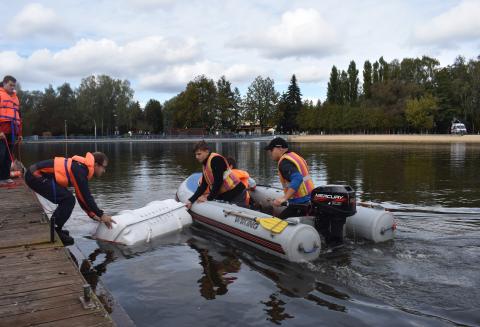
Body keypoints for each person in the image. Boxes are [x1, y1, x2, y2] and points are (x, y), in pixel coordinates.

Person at [24, 151, 116, 245]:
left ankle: (56, 228)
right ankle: (55, 230)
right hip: (34, 175)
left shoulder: (82, 168)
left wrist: (93, 215)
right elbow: (86, 197)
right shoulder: (80, 171)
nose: (104, 171)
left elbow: (81, 197)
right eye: (104, 167)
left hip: (34, 174)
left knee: (68, 199)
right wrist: (102, 215)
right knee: (68, 199)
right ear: (96, 164)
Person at [185, 141, 246, 209]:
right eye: (195, 154)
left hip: (236, 192)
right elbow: (203, 185)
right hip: (227, 194)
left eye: (199, 154)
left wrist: (208, 198)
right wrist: (191, 200)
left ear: (207, 151)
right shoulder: (205, 164)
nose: (196, 157)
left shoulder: (216, 160)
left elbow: (218, 182)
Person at [264, 137, 314, 219]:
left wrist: (284, 198)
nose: (270, 153)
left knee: (278, 225)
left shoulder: (284, 162)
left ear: (279, 148)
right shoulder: (295, 156)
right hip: (309, 199)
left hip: (299, 204)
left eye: (271, 150)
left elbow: (298, 178)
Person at [0, 75, 22, 185]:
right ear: (4, 83)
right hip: (2, 131)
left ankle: (5, 177)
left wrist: (19, 133)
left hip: (13, 131)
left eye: (14, 86)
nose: (12, 87)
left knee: (8, 156)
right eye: (10, 85)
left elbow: (19, 116)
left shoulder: (15, 97)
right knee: (1, 154)